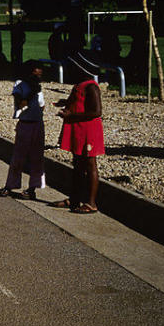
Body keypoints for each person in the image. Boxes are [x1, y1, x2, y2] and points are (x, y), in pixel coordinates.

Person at [51, 56, 105, 214]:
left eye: (73, 67)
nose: (70, 70)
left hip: (88, 130)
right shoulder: (81, 85)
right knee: (78, 164)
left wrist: (71, 116)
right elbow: (79, 103)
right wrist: (66, 103)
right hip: (79, 129)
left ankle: (91, 203)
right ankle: (74, 198)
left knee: (90, 163)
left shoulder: (91, 87)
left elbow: (96, 112)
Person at [0, 60, 45, 200]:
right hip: (25, 123)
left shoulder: (38, 88)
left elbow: (42, 106)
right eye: (35, 75)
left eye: (40, 76)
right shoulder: (20, 85)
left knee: (36, 158)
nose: (38, 78)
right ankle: (10, 185)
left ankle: (32, 189)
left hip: (37, 124)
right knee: (18, 157)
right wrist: (32, 94)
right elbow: (20, 104)